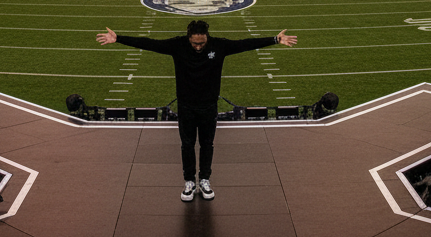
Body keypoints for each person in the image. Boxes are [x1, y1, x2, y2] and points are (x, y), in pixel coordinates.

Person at [97, 19, 297, 201]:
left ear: (207, 38)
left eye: (202, 43)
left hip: (209, 105)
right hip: (186, 106)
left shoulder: (219, 46)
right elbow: (151, 44)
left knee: (207, 144)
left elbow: (243, 44)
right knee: (187, 144)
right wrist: (119, 39)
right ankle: (189, 182)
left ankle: (205, 180)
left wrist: (274, 39)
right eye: (195, 43)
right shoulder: (177, 45)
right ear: (188, 38)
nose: (199, 47)